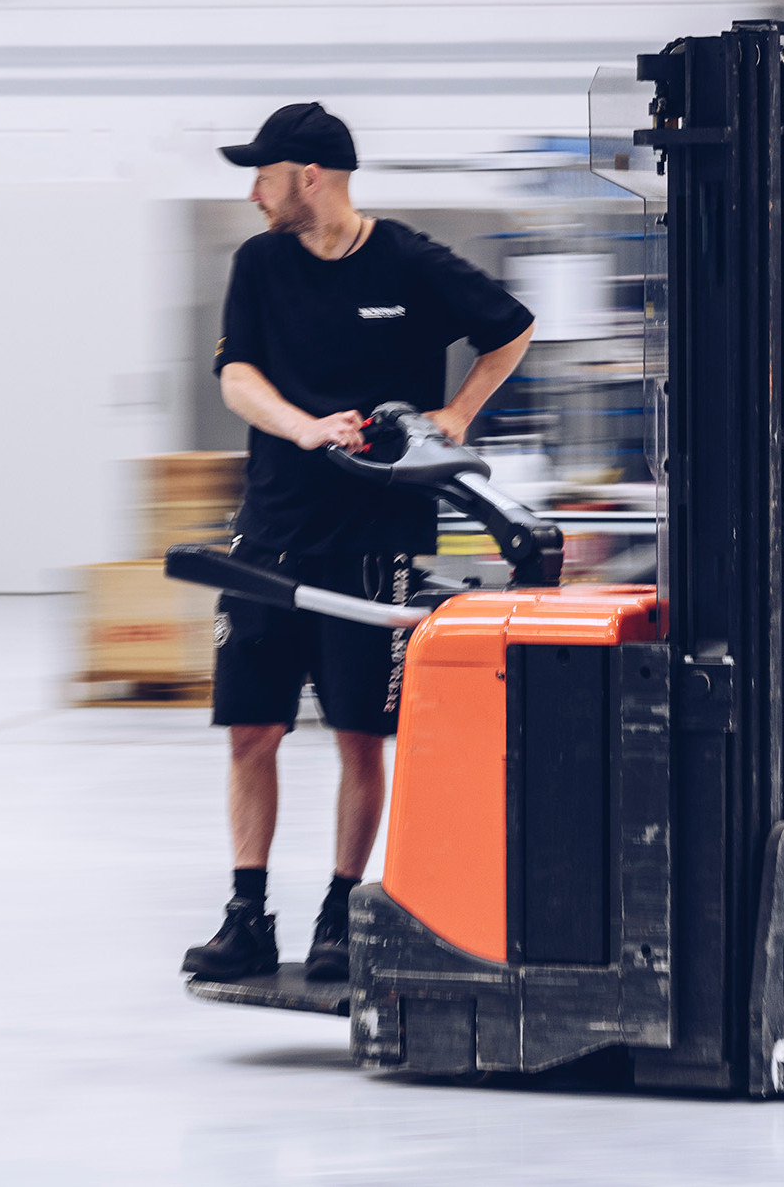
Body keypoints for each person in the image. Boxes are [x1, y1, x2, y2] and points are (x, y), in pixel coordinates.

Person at [181, 102, 535, 982]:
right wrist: (302, 428)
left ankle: (341, 914)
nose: (253, 193)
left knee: (356, 738)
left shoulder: (407, 260)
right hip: (270, 533)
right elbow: (235, 376)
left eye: (262, 175)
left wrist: (457, 413)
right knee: (250, 733)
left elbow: (511, 327)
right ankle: (245, 916)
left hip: (376, 541)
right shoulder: (258, 264)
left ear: (309, 177)